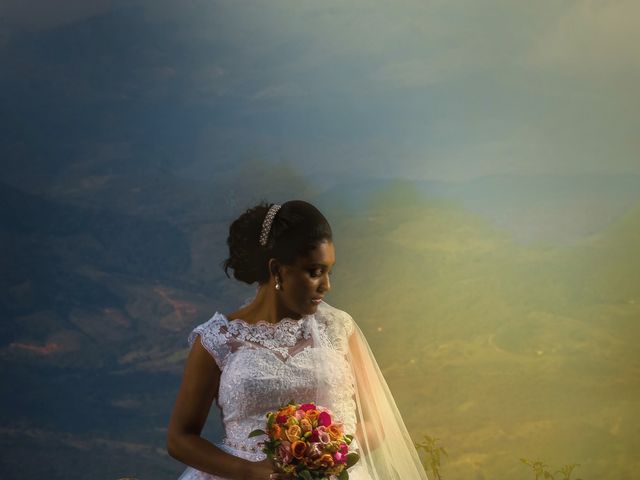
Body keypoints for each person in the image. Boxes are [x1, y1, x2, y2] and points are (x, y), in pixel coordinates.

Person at [166, 200, 428, 480]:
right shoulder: (217, 339)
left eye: (329, 272)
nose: (327, 285)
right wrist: (251, 472)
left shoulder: (338, 328)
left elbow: (375, 422)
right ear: (278, 270)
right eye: (315, 272)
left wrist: (326, 458)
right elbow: (180, 438)